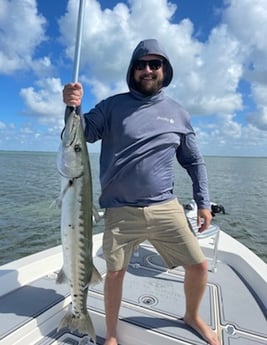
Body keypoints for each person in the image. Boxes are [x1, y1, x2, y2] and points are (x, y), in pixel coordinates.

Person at [63, 39, 220, 345]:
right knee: (115, 273)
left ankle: (192, 316)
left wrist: (203, 202)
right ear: (131, 71)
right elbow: (79, 135)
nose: (147, 70)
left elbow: (193, 160)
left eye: (154, 64)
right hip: (120, 211)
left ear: (165, 70)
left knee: (199, 265)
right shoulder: (111, 107)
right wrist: (72, 107)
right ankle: (110, 334)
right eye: (140, 65)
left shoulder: (178, 112)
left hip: (165, 206)